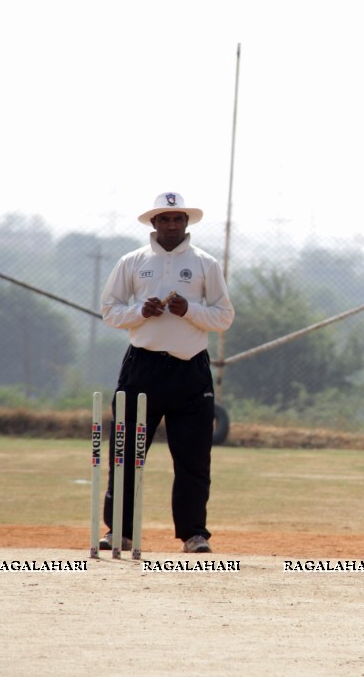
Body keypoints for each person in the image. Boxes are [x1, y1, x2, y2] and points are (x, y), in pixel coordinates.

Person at [99, 191, 234, 554]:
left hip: (190, 368)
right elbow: (110, 310)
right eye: (165, 219)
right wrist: (139, 312)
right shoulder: (133, 261)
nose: (172, 225)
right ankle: (119, 532)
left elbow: (223, 315)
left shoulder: (205, 263)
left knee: (193, 458)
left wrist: (189, 309)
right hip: (143, 366)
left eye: (177, 219)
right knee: (125, 454)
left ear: (186, 223)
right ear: (153, 223)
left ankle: (194, 534)